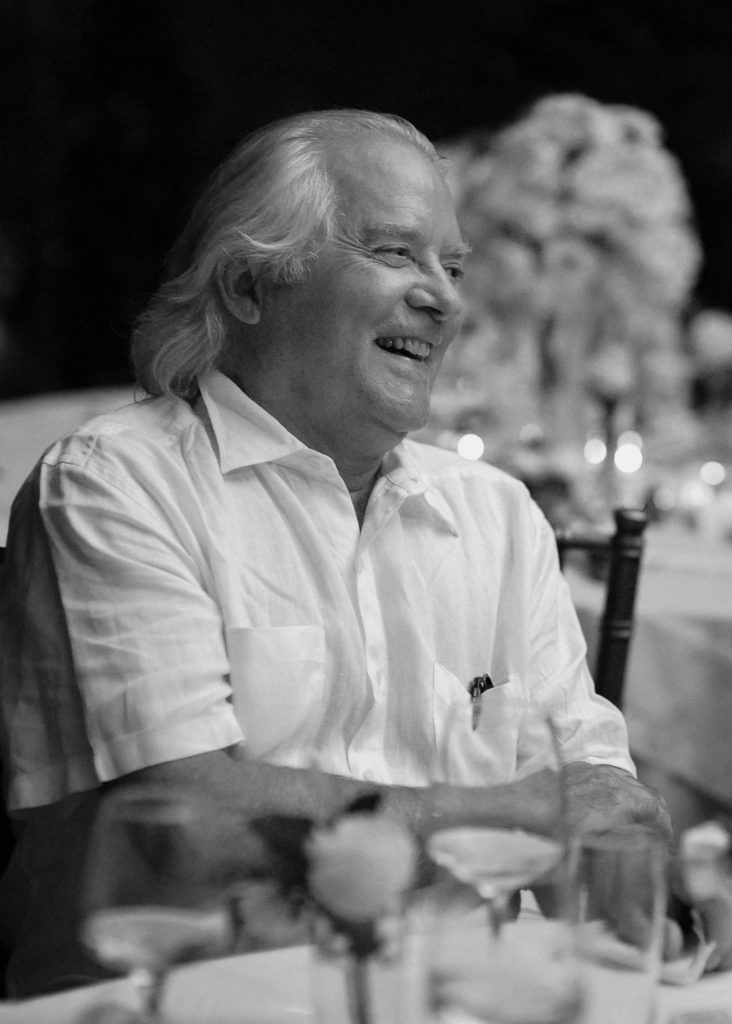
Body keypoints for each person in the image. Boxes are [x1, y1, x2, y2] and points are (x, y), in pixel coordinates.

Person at [0, 108, 686, 996]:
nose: (445, 298)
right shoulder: (116, 484)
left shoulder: (497, 513)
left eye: (454, 267)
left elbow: (591, 800)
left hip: (455, 1001)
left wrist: (637, 869)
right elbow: (182, 831)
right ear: (250, 285)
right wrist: (519, 814)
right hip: (178, 1008)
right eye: (397, 253)